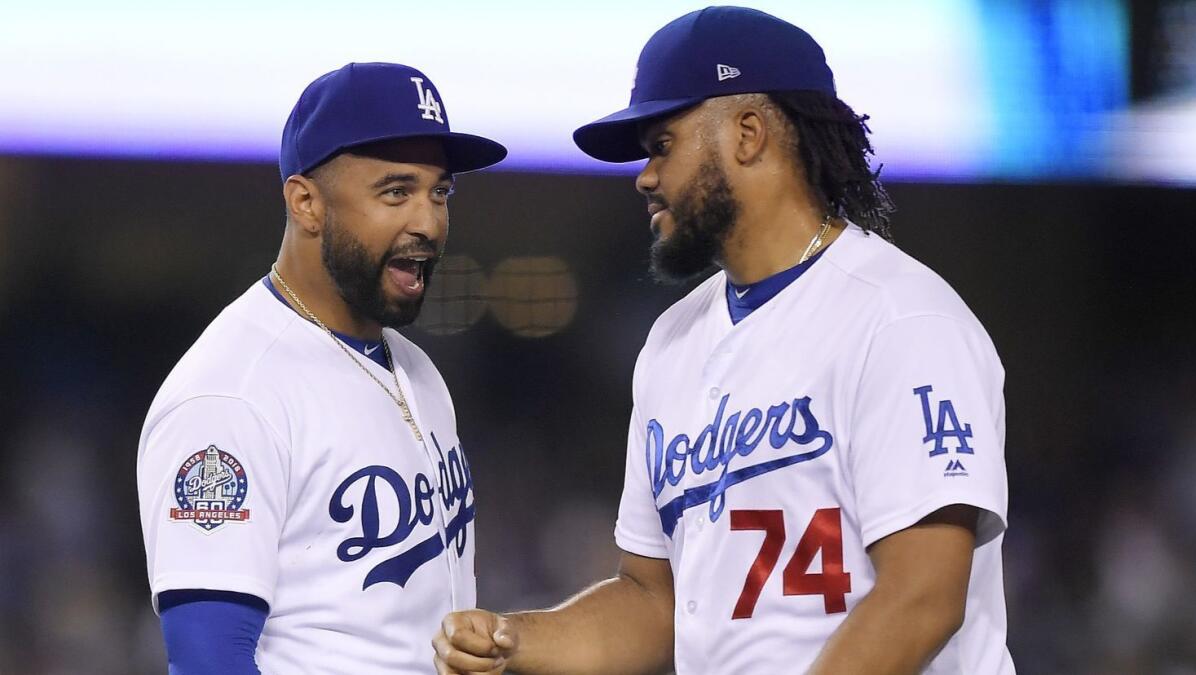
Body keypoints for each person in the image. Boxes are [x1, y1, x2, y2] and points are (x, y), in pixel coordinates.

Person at [434, 7, 1013, 674]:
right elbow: (654, 600)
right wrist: (513, 637)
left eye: (662, 144)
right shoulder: (673, 340)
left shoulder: (901, 319)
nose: (644, 176)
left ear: (747, 134)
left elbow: (922, 597)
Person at [136, 61, 506, 673]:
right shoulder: (233, 394)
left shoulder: (414, 368)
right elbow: (209, 659)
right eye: (396, 191)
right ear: (306, 202)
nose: (428, 222)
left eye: (439, 192)